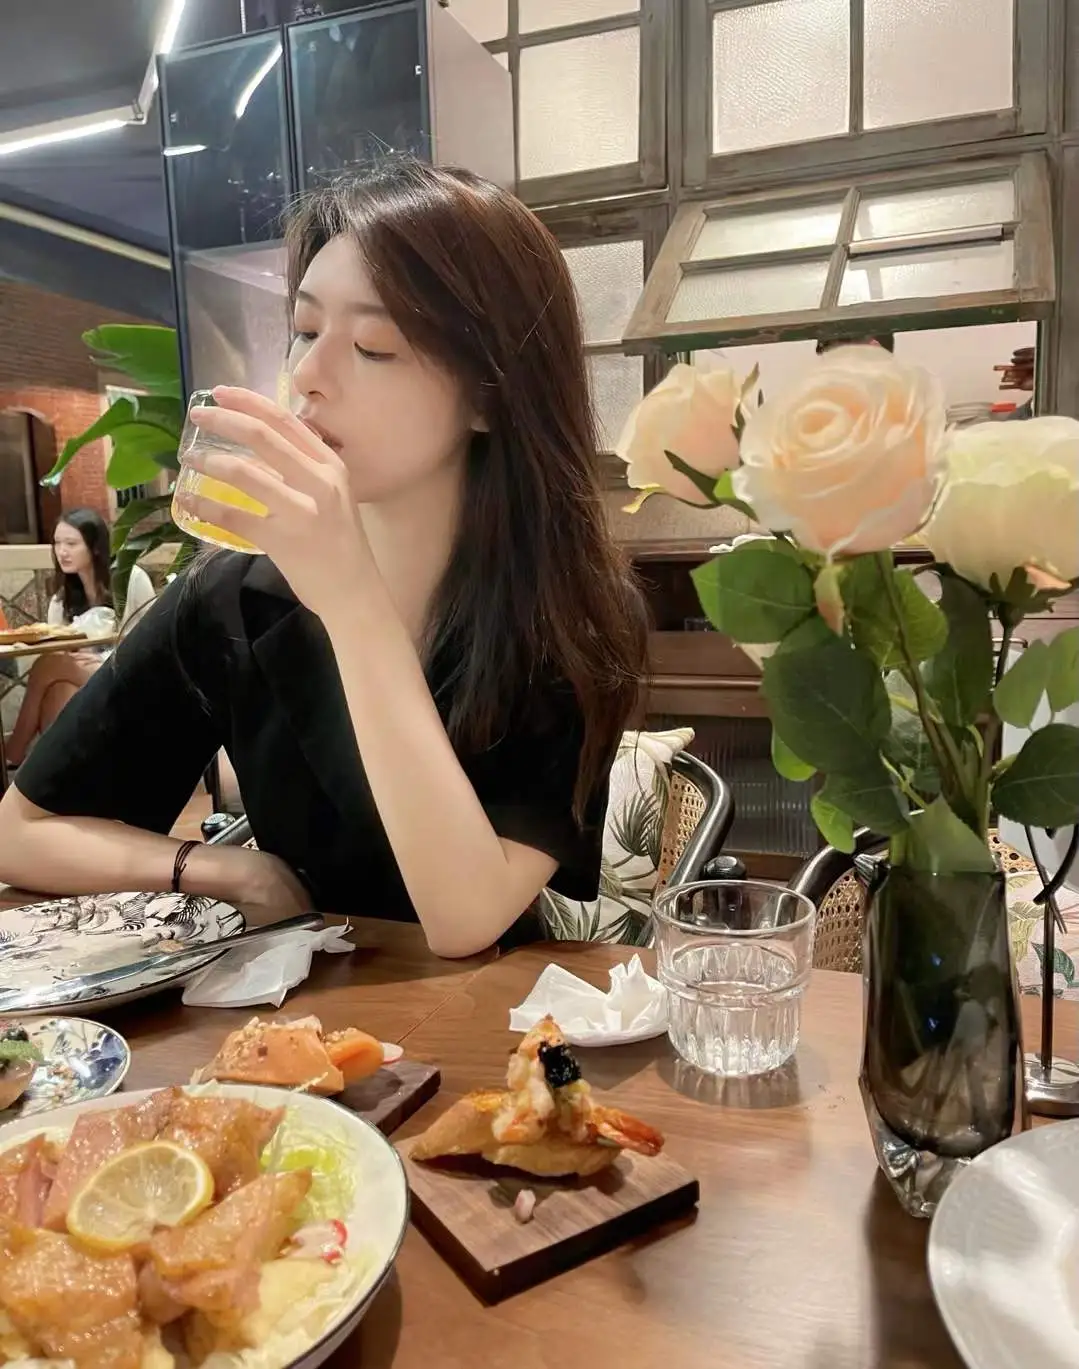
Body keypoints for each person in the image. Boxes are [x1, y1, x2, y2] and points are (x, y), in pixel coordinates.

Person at [0, 158, 648, 959]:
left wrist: (350, 598)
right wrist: (218, 868)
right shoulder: (234, 596)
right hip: (289, 1008)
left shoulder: (565, 615)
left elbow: (463, 919)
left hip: (487, 1014)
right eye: (306, 331)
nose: (307, 375)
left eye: (373, 346)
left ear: (489, 393)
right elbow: (20, 830)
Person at [5, 510, 156, 766]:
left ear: (95, 547)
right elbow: (60, 648)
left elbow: (152, 641)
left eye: (71, 544)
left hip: (126, 673)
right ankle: (60, 773)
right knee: (59, 692)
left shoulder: (131, 579)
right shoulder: (61, 600)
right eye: (57, 543)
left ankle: (14, 753)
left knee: (48, 664)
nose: (62, 552)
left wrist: (107, 658)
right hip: (82, 678)